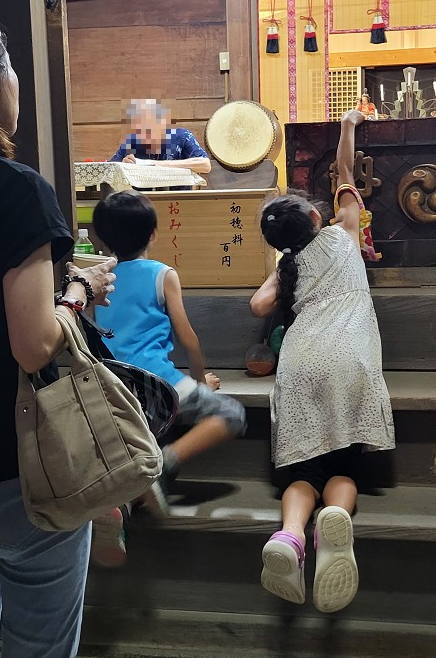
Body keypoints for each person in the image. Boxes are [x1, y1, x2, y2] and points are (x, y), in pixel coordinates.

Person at [0, 15, 117, 658]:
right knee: (34, 655)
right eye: (9, 69)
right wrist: (80, 291)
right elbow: (34, 342)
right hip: (15, 470)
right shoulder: (15, 192)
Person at [250, 109, 395, 614]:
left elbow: (259, 307)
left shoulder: (288, 265)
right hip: (351, 359)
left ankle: (290, 537)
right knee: (343, 466)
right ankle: (336, 522)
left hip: (301, 363)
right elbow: (347, 174)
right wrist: (350, 126)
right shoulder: (344, 234)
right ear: (317, 218)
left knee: (303, 471)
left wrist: (281, 269)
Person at [92, 191, 246, 528]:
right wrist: (201, 379)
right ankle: (165, 464)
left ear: (100, 237)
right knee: (232, 414)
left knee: (137, 441)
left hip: (113, 387)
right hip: (160, 384)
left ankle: (121, 509)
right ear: (152, 235)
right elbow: (188, 338)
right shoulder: (162, 274)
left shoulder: (97, 279)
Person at [109, 98, 211, 174]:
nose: (143, 136)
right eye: (139, 131)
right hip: (141, 200)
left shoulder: (181, 136)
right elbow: (109, 170)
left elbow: (205, 165)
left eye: (148, 129)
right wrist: (121, 167)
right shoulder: (131, 142)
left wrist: (148, 164)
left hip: (177, 199)